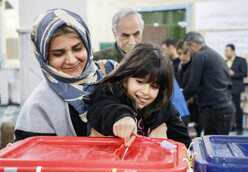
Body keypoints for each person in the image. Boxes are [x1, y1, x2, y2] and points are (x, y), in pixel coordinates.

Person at [14, 8, 118, 141]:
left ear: (87, 45)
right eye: (58, 54)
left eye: (77, 48)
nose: (71, 60)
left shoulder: (112, 72)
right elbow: (37, 158)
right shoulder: (39, 105)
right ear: (44, 58)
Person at [87, 43, 191, 147]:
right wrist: (123, 117)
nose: (146, 91)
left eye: (154, 86)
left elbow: (183, 142)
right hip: (113, 160)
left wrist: (164, 130)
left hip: (147, 162)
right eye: (140, 82)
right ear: (126, 75)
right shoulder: (110, 90)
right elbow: (100, 109)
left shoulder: (162, 106)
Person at [183, 32, 235, 135]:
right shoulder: (214, 55)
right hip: (225, 108)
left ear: (192, 45)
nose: (188, 53)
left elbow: (193, 85)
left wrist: (179, 98)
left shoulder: (200, 56)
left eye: (187, 49)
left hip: (215, 110)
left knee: (213, 148)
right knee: (220, 146)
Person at [176, 41, 201, 137]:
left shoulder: (195, 65)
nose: (183, 56)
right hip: (182, 106)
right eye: (180, 54)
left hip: (194, 106)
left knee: (194, 135)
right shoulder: (179, 66)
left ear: (190, 52)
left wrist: (192, 98)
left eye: (185, 53)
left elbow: (198, 86)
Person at [225, 44, 248, 135]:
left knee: (237, 108)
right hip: (226, 89)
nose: (226, 53)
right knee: (228, 109)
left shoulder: (241, 61)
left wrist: (233, 74)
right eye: (225, 51)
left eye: (227, 51)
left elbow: (244, 74)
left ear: (233, 51)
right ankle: (231, 126)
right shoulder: (224, 61)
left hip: (236, 88)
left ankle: (239, 128)